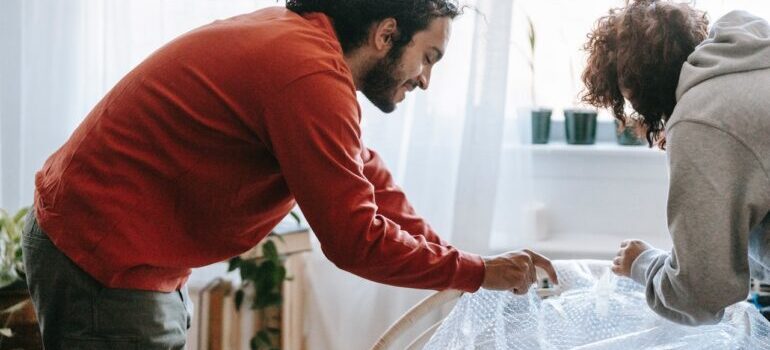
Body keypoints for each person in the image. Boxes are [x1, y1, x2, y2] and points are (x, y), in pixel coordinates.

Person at [23, 1, 558, 348]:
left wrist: (456, 257)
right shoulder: (310, 76)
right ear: (388, 34)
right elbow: (355, 240)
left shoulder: (306, 49)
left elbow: (363, 171)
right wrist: (474, 272)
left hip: (109, 245)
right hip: (102, 259)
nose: (426, 80)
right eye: (429, 56)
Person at [581, 0, 770, 326]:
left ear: (635, 90)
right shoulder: (750, 54)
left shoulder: (701, 120)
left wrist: (642, 263)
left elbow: (697, 297)